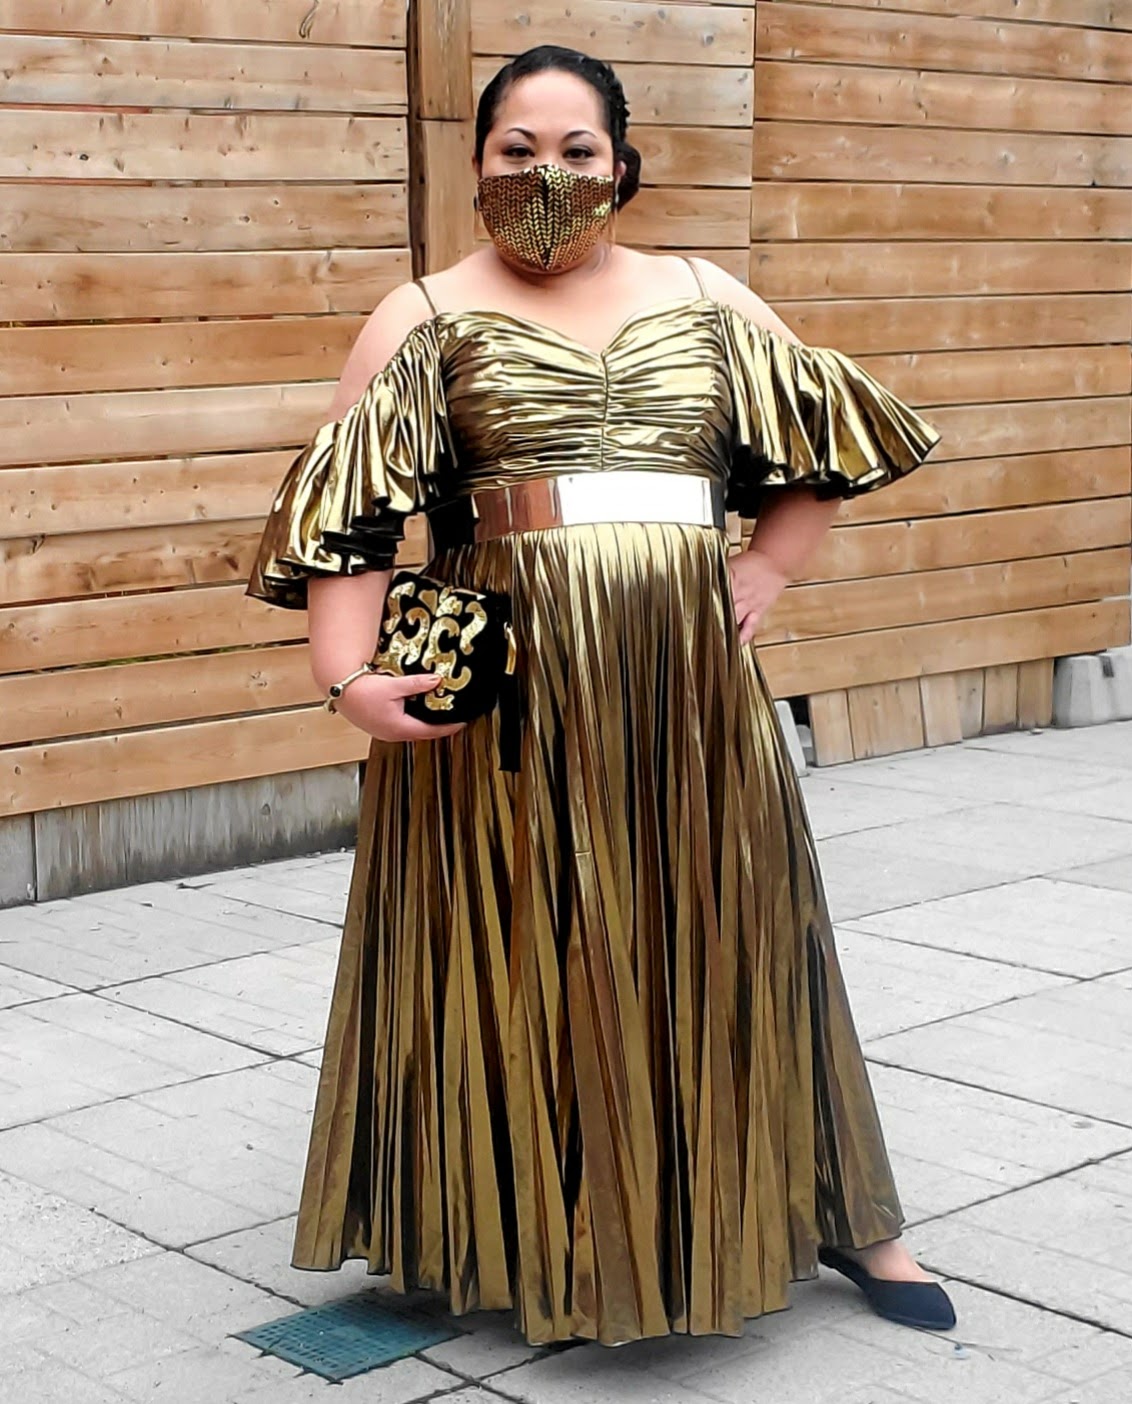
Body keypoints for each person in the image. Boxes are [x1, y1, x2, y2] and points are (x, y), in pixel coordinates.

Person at [246, 44, 956, 1346]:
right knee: (518, 944)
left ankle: (846, 1212)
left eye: (577, 152)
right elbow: (347, 518)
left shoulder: (706, 293)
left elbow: (826, 441)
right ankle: (492, 1226)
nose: (549, 176)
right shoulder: (418, 314)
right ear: (479, 165)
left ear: (623, 165)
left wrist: (767, 563)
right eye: (518, 151)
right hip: (504, 687)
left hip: (685, 684)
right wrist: (344, 674)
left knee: (745, 929)